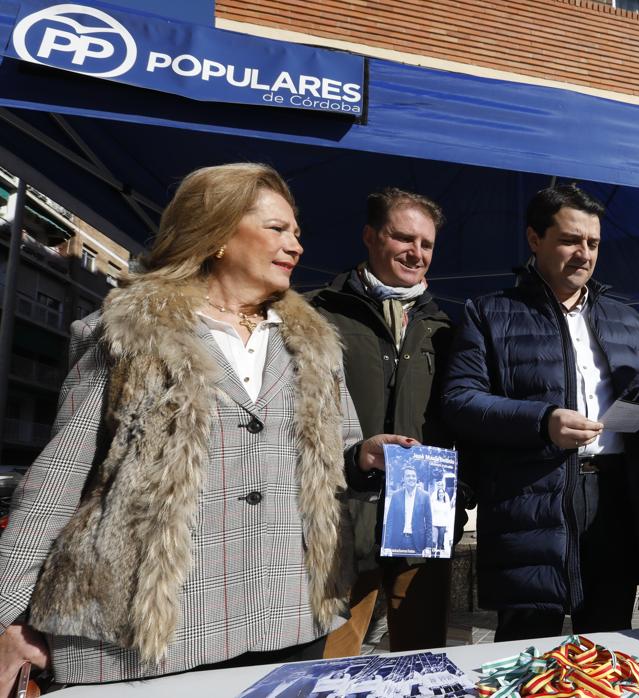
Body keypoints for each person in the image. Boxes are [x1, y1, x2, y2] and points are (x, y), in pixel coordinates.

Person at [0, 163, 409, 691]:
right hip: (144, 628)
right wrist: (9, 615)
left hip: (286, 610)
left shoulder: (316, 345)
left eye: (297, 233)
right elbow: (59, 479)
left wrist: (362, 456)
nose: (296, 245)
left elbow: (339, 449)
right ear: (216, 233)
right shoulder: (127, 333)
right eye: (277, 229)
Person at [442, 184, 639, 641]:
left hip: (615, 497)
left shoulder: (626, 318)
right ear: (534, 239)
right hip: (530, 499)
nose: (584, 253)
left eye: (593, 243)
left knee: (609, 640)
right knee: (528, 647)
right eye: (570, 240)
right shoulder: (490, 312)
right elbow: (459, 401)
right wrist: (542, 421)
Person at [309, 188, 455, 652]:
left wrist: (462, 489)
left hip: (424, 509)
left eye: (427, 244)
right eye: (403, 238)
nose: (416, 253)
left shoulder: (447, 326)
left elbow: (457, 415)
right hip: (341, 510)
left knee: (421, 654)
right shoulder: (317, 313)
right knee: (334, 658)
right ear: (370, 237)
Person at [383, 467, 433, 554]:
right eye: (408, 476)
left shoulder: (425, 496)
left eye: (413, 476)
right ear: (403, 478)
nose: (411, 478)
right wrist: (387, 545)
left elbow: (429, 522)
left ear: (416, 478)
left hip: (418, 542)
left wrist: (428, 546)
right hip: (398, 541)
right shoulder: (396, 496)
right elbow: (390, 521)